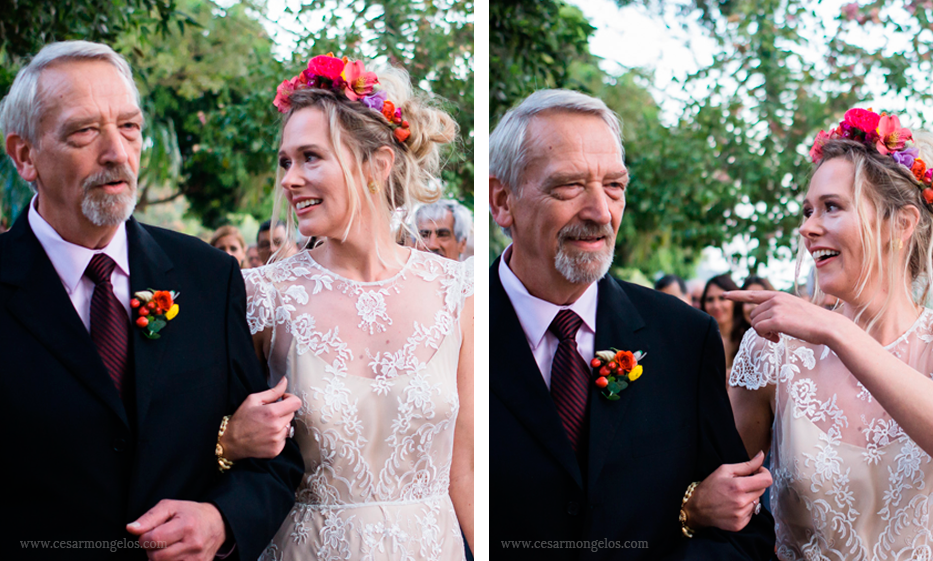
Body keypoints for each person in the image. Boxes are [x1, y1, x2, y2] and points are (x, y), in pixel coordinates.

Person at [0, 41, 303, 560]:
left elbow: (274, 456)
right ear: (25, 155)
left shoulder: (209, 277)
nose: (117, 152)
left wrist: (221, 519)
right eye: (84, 131)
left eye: (130, 127)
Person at [489, 88, 773, 560]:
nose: (601, 212)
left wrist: (688, 516)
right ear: (503, 201)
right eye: (569, 186)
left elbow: (742, 530)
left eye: (614, 186)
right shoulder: (461, 322)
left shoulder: (683, 338)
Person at [225, 53, 474, 559]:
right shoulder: (263, 297)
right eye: (285, 162)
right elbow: (216, 440)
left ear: (377, 166)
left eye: (311, 157)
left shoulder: (460, 291)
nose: (290, 179)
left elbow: (466, 470)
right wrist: (229, 438)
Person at [726, 108, 933, 558]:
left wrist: (835, 329)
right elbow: (731, 508)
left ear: (902, 224)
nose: (808, 228)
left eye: (831, 207)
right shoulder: (773, 351)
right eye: (808, 210)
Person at [701, 273, 750, 377]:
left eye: (722, 298)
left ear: (735, 301)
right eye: (710, 299)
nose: (716, 306)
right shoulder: (699, 341)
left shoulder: (749, 339)